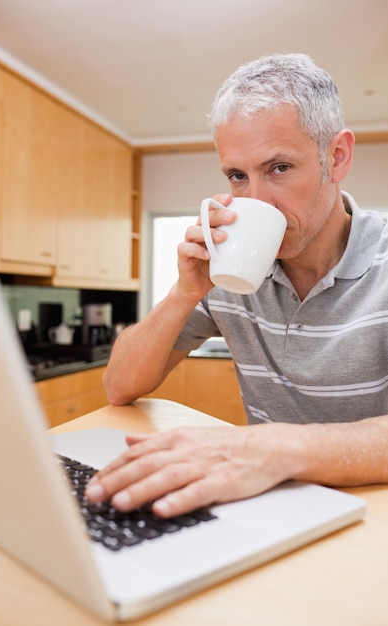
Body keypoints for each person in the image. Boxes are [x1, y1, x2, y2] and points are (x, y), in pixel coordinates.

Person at [86, 53, 388, 517]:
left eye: (280, 168)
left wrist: (271, 449)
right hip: (268, 504)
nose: (256, 198)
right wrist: (183, 294)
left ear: (337, 156)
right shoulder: (232, 269)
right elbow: (119, 387)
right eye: (237, 176)